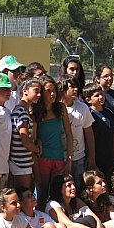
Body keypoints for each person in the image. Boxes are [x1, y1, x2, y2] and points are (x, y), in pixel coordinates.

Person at [32, 75, 73, 208]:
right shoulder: (36, 111)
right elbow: (33, 137)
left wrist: (69, 159)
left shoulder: (61, 108)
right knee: (42, 192)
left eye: (54, 90)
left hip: (59, 156)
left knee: (58, 192)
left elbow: (69, 134)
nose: (53, 94)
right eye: (48, 91)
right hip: (43, 157)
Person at [60, 75, 95, 189]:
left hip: (79, 157)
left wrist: (92, 156)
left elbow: (88, 132)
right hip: (60, 156)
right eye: (72, 87)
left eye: (76, 87)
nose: (75, 89)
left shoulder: (83, 108)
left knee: (79, 188)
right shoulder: (55, 108)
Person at [9, 77, 42, 190]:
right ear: (25, 91)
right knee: (25, 193)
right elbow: (26, 141)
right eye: (36, 91)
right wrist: (37, 149)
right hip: (21, 162)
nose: (39, 95)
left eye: (40, 92)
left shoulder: (20, 110)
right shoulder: (22, 112)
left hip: (21, 161)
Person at [83, 82, 114, 183]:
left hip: (109, 157)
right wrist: (91, 157)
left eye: (101, 94)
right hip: (96, 157)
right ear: (88, 99)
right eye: (97, 96)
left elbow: (113, 135)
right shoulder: (88, 113)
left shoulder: (109, 112)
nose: (101, 97)